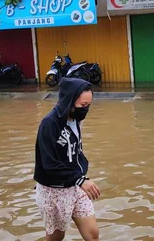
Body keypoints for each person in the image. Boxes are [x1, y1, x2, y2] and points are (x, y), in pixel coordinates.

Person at [34, 78, 100, 241]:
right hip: (54, 191)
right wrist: (80, 179)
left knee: (93, 234)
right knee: (56, 237)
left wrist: (80, 177)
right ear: (69, 100)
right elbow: (49, 164)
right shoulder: (49, 124)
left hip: (77, 185)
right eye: (83, 105)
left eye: (88, 105)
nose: (85, 110)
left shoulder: (75, 119)